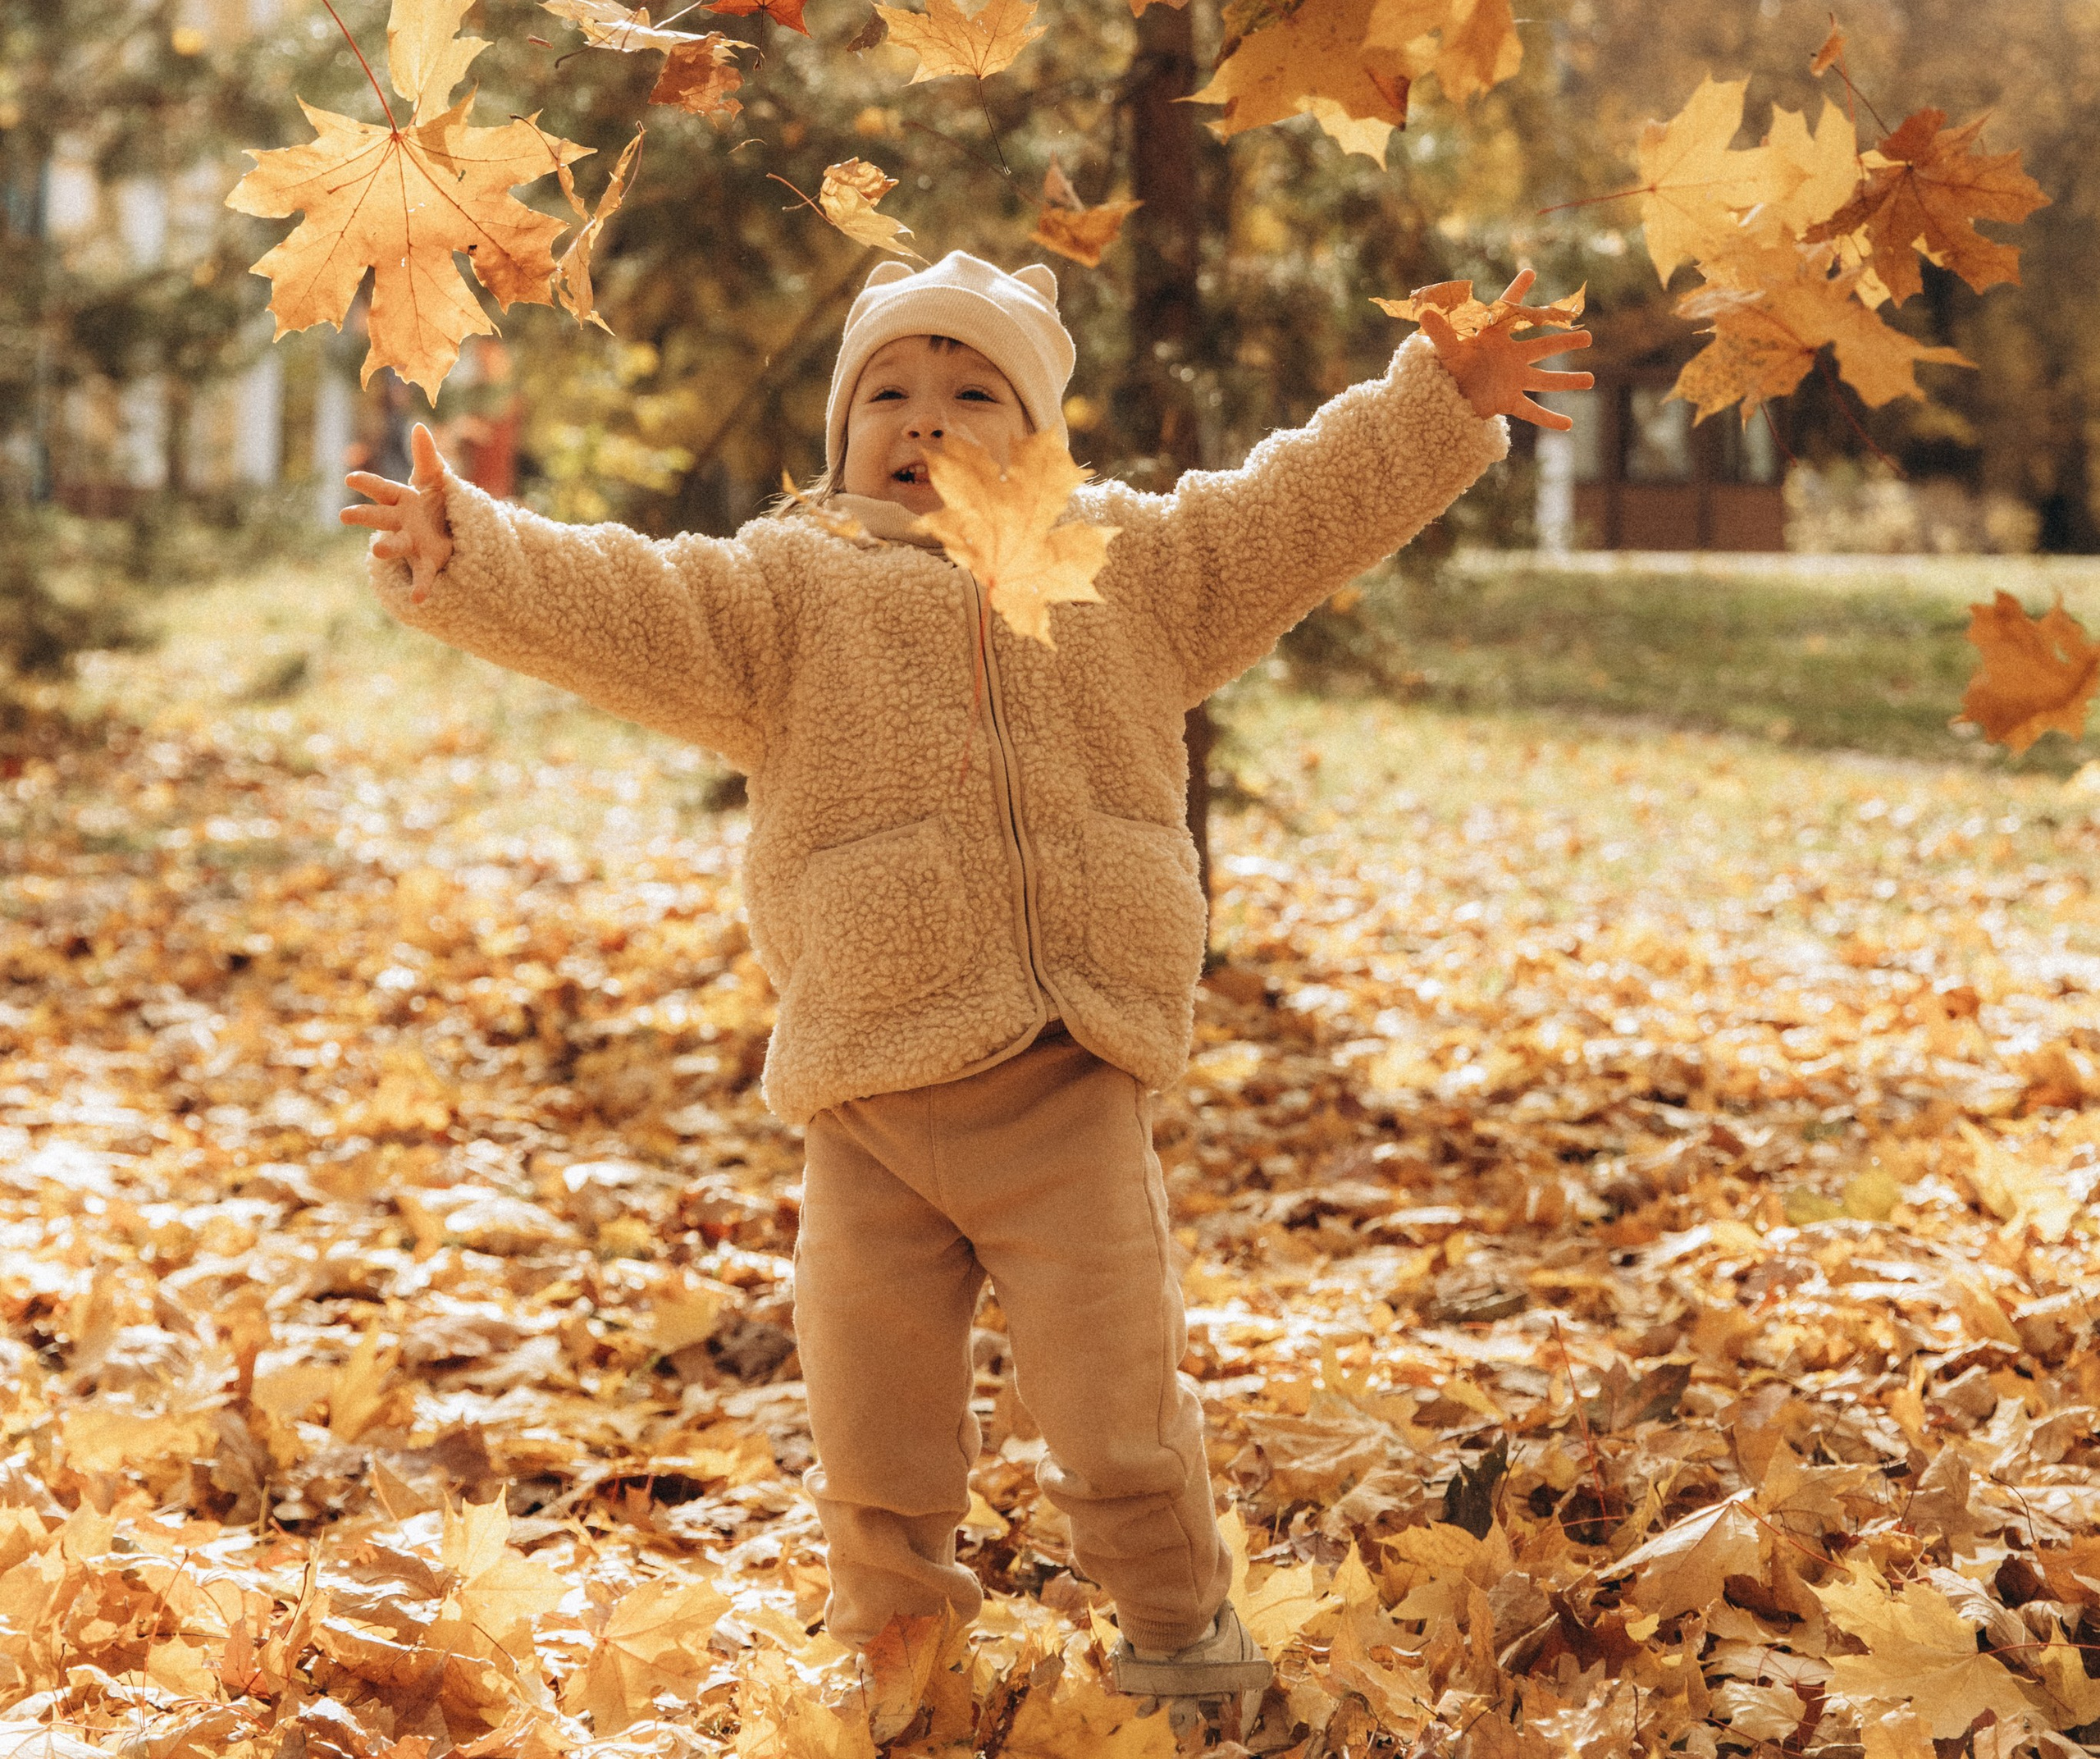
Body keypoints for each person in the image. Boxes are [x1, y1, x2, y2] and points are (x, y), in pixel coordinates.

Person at [344, 250, 1589, 1716]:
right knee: (875, 1435)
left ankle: (1185, 1643)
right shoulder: (790, 590)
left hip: (1065, 1074)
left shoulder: (1133, 566)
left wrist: (1438, 401)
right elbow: (630, 600)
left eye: (971, 391)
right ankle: (900, 1661)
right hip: (868, 1094)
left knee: (1116, 1415)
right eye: (889, 392)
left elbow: (1296, 510)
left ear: (1046, 434)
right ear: (843, 433)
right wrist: (473, 555)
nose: (923, 420)